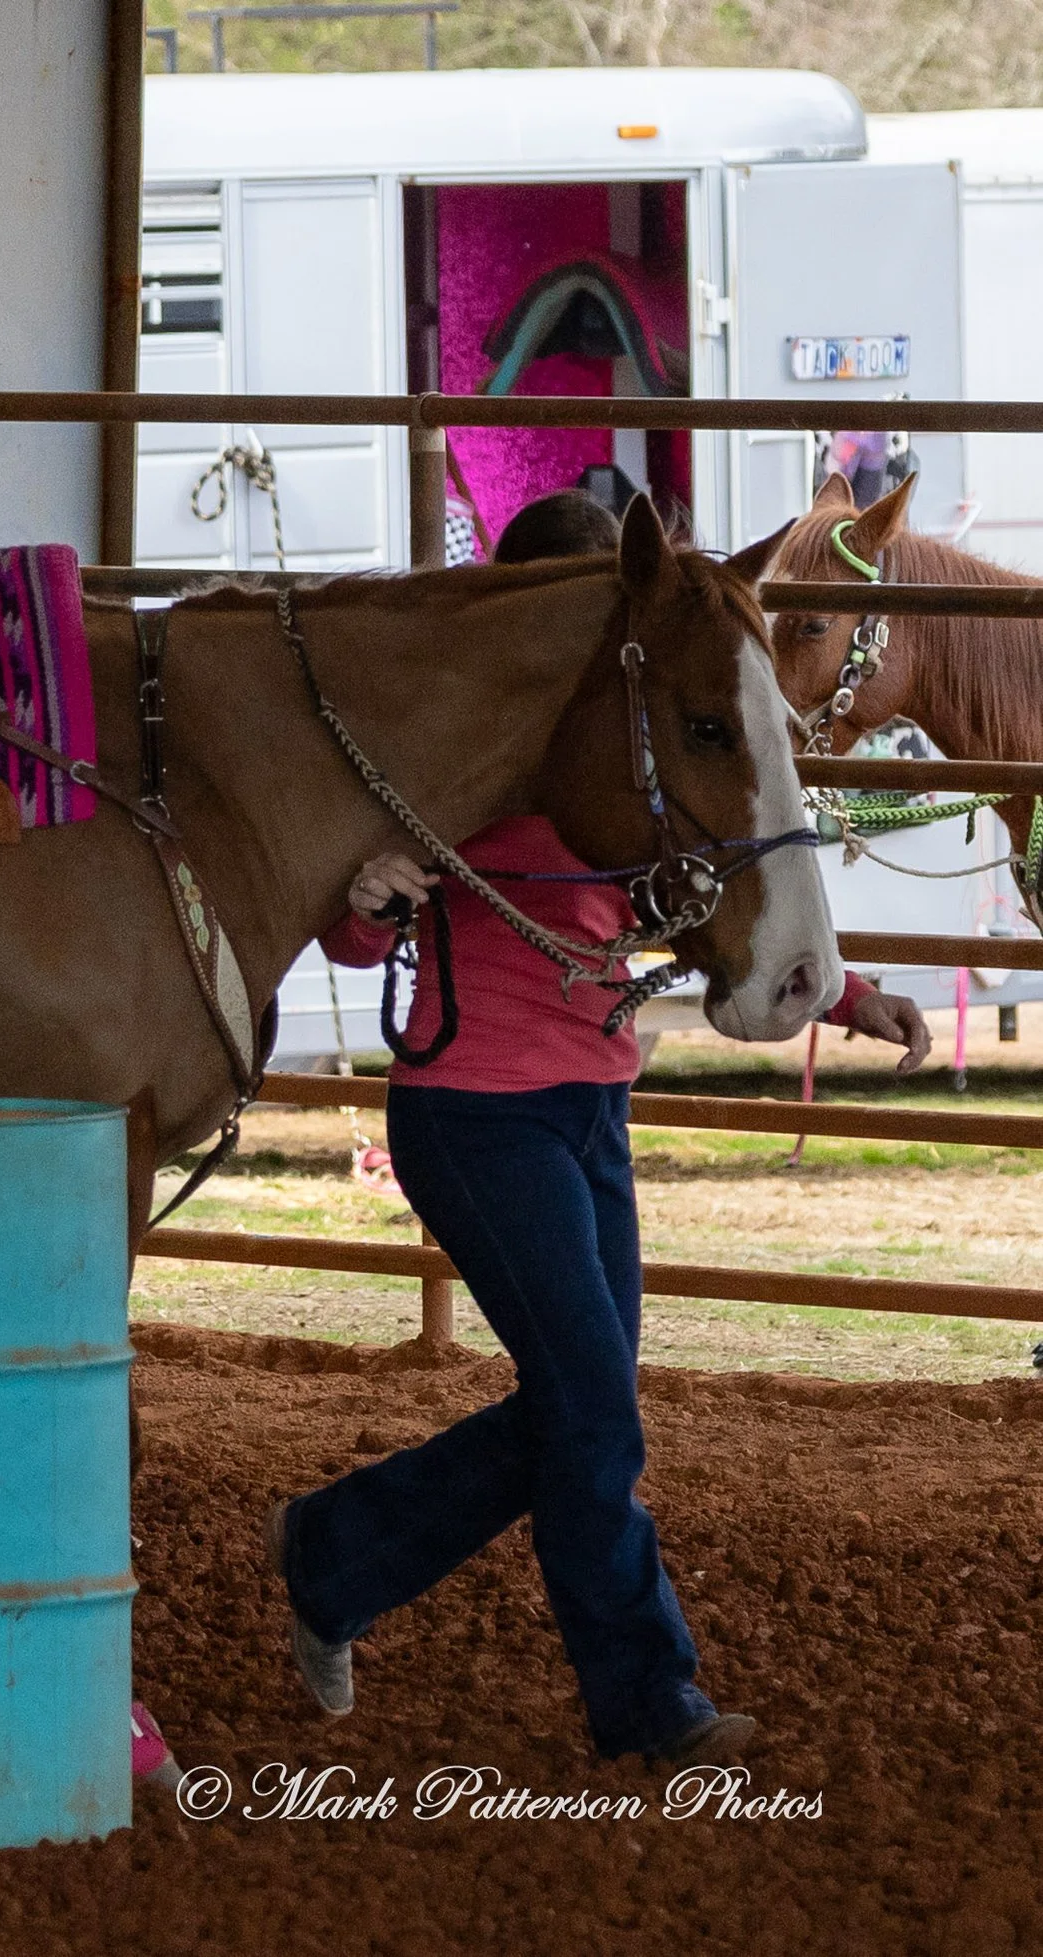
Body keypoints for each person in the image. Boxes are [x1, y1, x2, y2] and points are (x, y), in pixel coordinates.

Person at [267, 489, 932, 1766]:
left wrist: (838, 990)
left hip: (585, 1102)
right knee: (590, 1409)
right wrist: (365, 895)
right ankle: (646, 1700)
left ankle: (334, 1549)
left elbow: (706, 893)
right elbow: (353, 931)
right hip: (473, 1113)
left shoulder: (618, 748)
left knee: (581, 1407)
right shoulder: (454, 748)